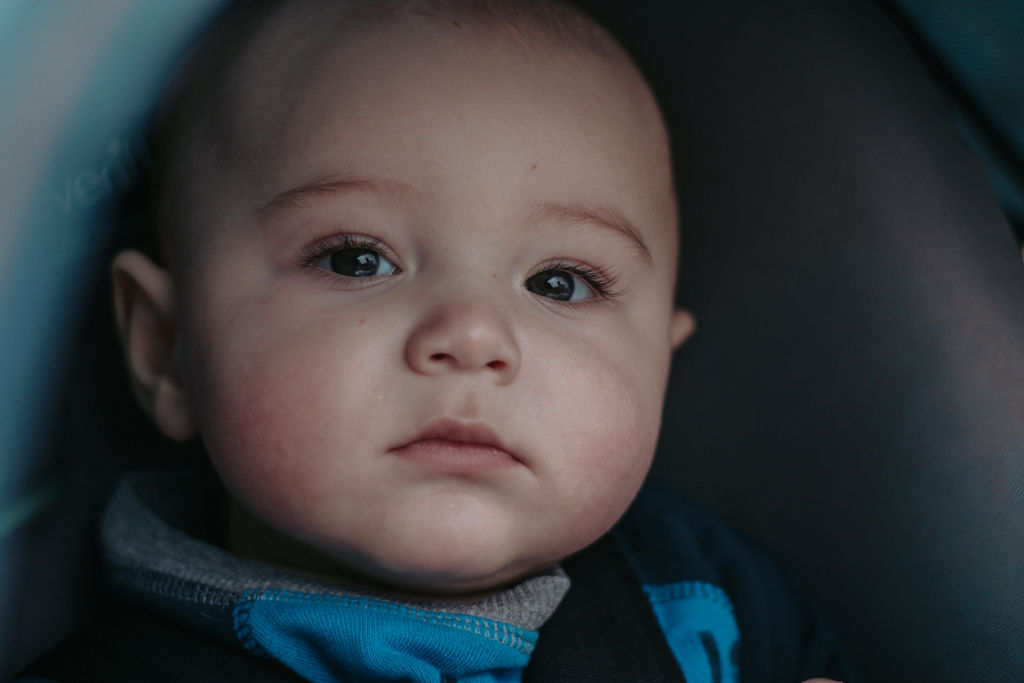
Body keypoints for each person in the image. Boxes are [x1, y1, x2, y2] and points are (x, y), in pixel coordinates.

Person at [20, 1, 855, 681]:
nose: (473, 336)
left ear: (659, 368)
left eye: (561, 283)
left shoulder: (704, 596)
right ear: (164, 348)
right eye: (356, 259)